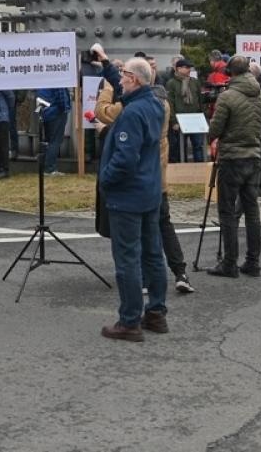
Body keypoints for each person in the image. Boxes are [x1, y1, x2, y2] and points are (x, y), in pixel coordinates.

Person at [97, 57, 168, 341]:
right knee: (153, 254)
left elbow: (125, 159)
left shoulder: (131, 114)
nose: (120, 80)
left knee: (127, 258)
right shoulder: (153, 103)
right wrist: (106, 64)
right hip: (150, 190)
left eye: (124, 75)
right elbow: (126, 85)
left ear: (135, 80)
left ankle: (129, 320)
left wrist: (106, 179)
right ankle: (156, 312)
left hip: (128, 194)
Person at [206, 55, 261, 279]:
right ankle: (253, 261)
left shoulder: (227, 97)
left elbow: (216, 128)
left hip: (232, 157)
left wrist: (211, 136)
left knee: (227, 211)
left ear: (230, 72)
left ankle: (230, 262)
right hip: (254, 155)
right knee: (252, 211)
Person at [166, 58, 206, 163]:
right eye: (187, 67)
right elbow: (170, 103)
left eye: (190, 67)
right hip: (180, 119)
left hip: (196, 118)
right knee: (180, 147)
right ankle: (183, 170)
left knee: (198, 145)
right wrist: (173, 121)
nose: (189, 69)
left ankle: (200, 168)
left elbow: (200, 100)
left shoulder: (195, 82)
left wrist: (203, 116)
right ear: (179, 68)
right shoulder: (172, 83)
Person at [36, 86, 71, 175]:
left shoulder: (43, 79)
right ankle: (50, 168)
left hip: (46, 112)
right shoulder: (57, 79)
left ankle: (44, 166)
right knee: (55, 141)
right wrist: (65, 109)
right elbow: (61, 96)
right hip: (56, 112)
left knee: (48, 141)